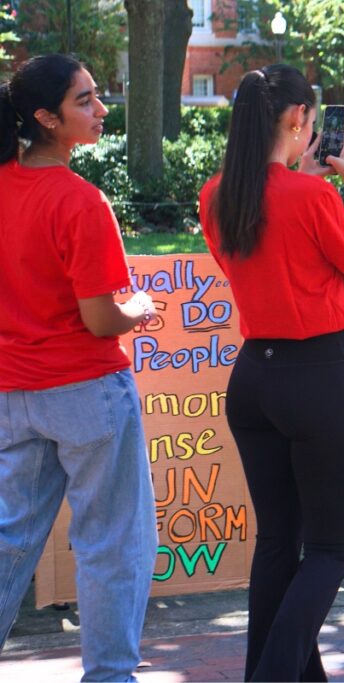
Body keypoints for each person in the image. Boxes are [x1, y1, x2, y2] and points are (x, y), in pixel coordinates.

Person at [198, 64, 344, 680]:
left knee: (279, 542)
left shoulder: (217, 193)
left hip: (255, 377)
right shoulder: (312, 196)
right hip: (321, 374)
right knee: (329, 550)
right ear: (299, 121)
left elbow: (264, 254)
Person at [0, 54, 158, 681]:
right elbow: (101, 319)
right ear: (45, 118)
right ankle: (111, 676)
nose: (101, 108)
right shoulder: (81, 200)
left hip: (14, 393)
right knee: (113, 546)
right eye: (85, 101)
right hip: (87, 390)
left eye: (97, 95)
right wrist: (139, 308)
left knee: (10, 542)